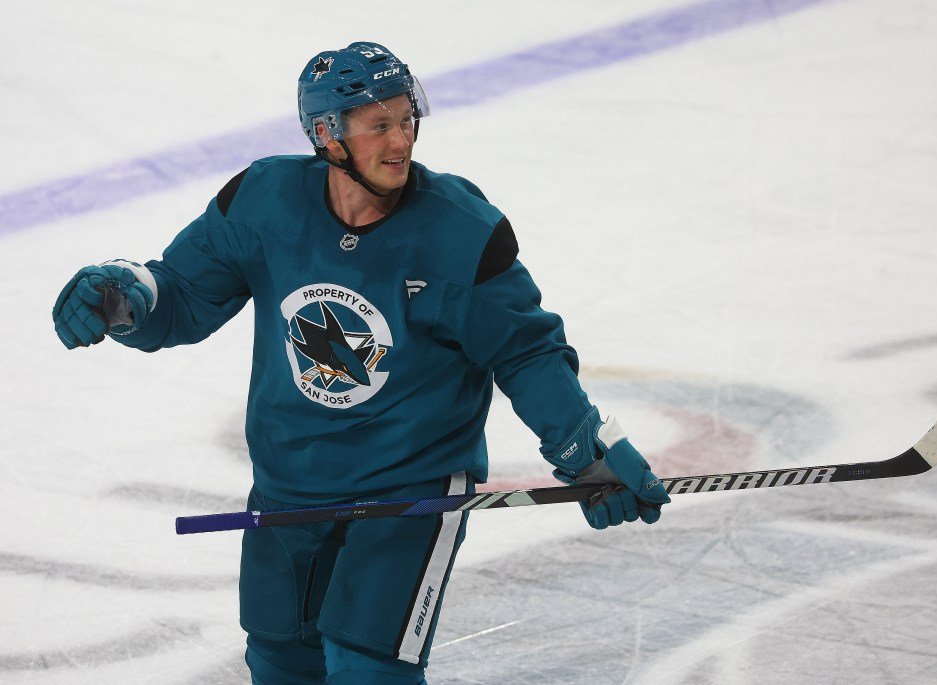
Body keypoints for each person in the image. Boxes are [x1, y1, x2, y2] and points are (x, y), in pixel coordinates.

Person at [51, 42, 670, 685]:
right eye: (379, 125)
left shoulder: (461, 230)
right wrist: (125, 299)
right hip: (291, 481)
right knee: (281, 663)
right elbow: (181, 294)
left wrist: (585, 447)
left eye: (406, 119)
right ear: (327, 134)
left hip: (410, 487)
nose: (401, 141)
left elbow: (525, 350)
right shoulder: (262, 200)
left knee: (367, 669)